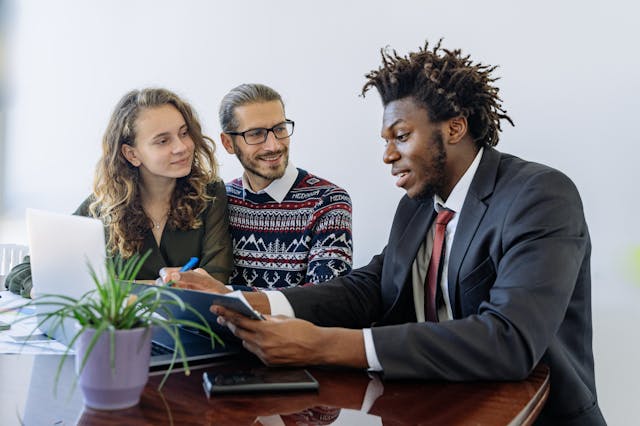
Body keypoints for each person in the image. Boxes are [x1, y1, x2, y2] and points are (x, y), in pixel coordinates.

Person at [168, 41, 605, 425]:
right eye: (385, 139)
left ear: (454, 128)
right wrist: (243, 303)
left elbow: (506, 341)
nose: (387, 154)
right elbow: (369, 288)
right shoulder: (417, 206)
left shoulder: (540, 195)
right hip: (427, 407)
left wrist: (324, 344)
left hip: (526, 414)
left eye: (400, 136)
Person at [5, 88, 233, 296]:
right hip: (122, 333)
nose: (182, 147)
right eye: (163, 141)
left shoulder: (210, 194)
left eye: (184, 133)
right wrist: (42, 292)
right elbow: (25, 271)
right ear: (131, 154)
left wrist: (116, 288)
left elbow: (216, 278)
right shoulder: (105, 205)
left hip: (189, 332)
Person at [218, 83, 353, 288]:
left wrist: (227, 295)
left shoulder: (328, 202)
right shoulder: (220, 200)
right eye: (256, 134)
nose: (274, 145)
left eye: (280, 129)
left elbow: (324, 299)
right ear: (228, 143)